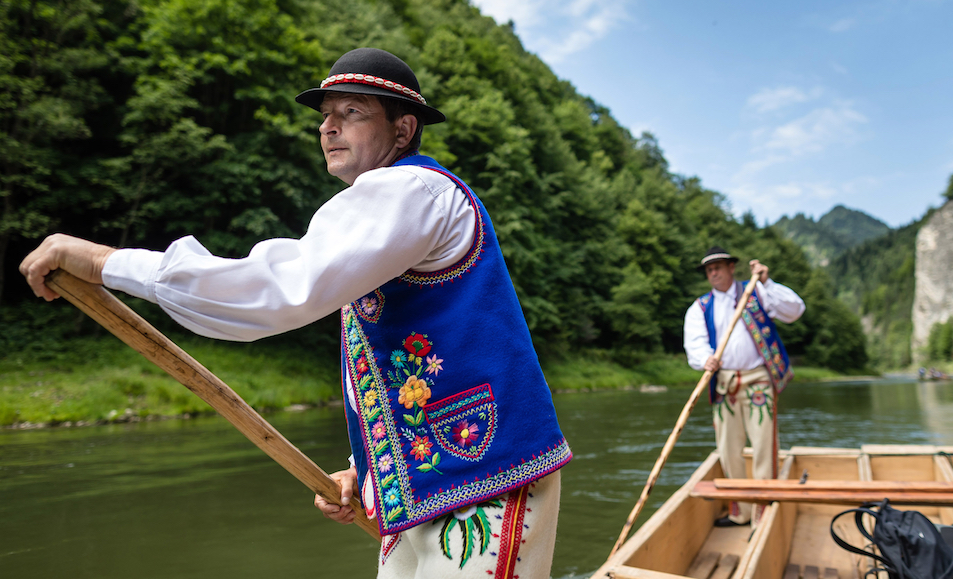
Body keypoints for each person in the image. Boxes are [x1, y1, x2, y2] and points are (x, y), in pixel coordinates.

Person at [20, 48, 572, 579]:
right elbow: (398, 366)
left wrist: (101, 262)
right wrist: (374, 473)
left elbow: (276, 290)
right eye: (326, 116)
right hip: (423, 491)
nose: (328, 127)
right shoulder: (383, 211)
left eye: (352, 113)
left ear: (403, 130)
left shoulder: (412, 190)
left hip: (486, 475)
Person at [682, 246, 805, 527]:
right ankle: (741, 512)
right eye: (709, 269)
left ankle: (763, 511)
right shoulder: (700, 307)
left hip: (758, 378)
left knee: (763, 445)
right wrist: (706, 359)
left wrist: (766, 282)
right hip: (725, 382)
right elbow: (695, 344)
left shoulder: (754, 292)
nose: (713, 272)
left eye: (718, 267)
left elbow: (794, 310)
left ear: (731, 268)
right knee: (728, 447)